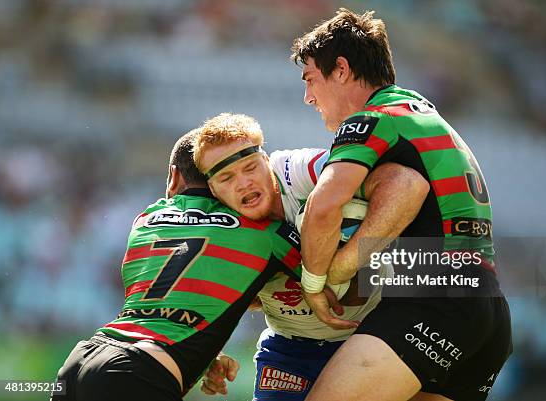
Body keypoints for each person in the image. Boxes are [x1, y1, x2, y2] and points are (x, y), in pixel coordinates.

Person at [291, 8, 512, 401]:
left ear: (340, 69)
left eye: (310, 79)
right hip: (487, 309)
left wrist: (315, 284)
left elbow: (324, 206)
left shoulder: (373, 119)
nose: (308, 96)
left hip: (433, 298)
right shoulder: (420, 113)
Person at [51, 130, 302, 401]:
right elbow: (328, 278)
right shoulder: (266, 233)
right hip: (141, 371)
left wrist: (207, 355)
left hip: (82, 359)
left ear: (174, 175)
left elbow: (171, 300)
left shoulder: (147, 218)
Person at [193, 112, 428, 400]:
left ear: (268, 162)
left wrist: (341, 267)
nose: (243, 183)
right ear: (213, 190)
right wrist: (209, 355)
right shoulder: (218, 225)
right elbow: (192, 296)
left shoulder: (300, 171)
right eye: (226, 178)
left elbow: (404, 182)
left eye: (250, 167)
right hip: (289, 350)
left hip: (372, 336)